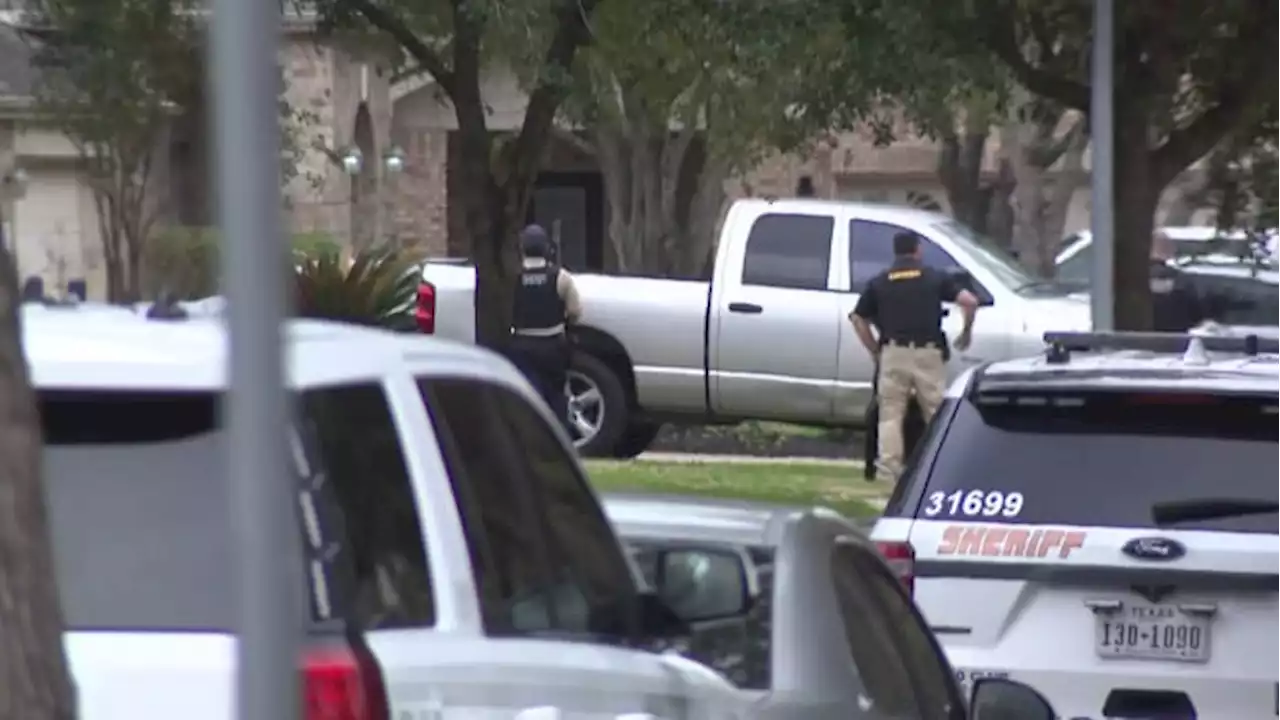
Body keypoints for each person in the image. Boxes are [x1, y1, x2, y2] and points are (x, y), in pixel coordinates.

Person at [850, 231, 979, 482]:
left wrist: (875, 350)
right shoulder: (934, 277)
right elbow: (970, 301)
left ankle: (889, 471)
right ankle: (938, 467)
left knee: (890, 414)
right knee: (934, 412)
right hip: (927, 354)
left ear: (896, 252)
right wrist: (966, 332)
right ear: (917, 250)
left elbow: (858, 318)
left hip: (893, 353)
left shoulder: (881, 281)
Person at [509, 224, 582, 429]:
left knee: (527, 396)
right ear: (547, 248)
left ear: (522, 248)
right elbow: (575, 311)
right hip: (553, 347)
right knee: (556, 398)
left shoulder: (513, 276)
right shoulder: (561, 277)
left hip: (522, 344)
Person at [1149, 229, 1205, 332]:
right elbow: (1196, 314)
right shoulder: (1181, 280)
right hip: (1175, 341)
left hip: (1136, 340)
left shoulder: (1128, 279)